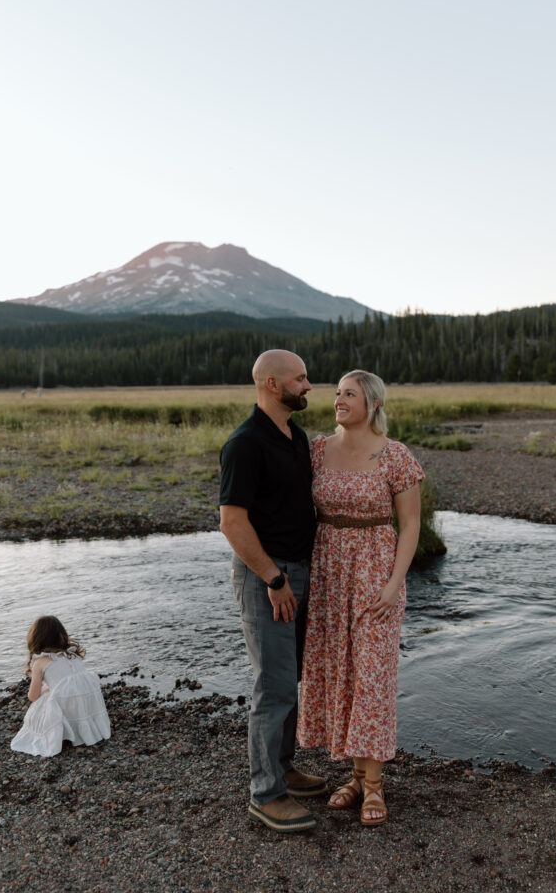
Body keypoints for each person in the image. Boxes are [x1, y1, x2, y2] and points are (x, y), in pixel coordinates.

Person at [297, 370, 423, 826]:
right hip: (329, 578)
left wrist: (393, 585)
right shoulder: (317, 450)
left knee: (372, 677)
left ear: (372, 403)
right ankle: (353, 776)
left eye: (349, 393)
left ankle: (374, 785)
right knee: (342, 676)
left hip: (376, 578)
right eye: (337, 393)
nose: (338, 399)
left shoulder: (395, 456)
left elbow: (411, 525)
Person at [219, 349, 326, 832]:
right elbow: (232, 522)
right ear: (272, 384)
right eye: (300, 379)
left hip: (298, 572)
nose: (308, 386)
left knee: (291, 677)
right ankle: (265, 794)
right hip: (267, 578)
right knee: (274, 684)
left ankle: (283, 767)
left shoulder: (295, 436)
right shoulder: (244, 443)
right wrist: (274, 579)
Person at [10, 615, 111, 757]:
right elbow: (70, 682)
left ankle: (63, 732)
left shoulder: (40, 662)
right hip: (85, 707)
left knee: (42, 699)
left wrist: (45, 691)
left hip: (69, 707)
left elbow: (33, 696)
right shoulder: (72, 654)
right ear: (61, 635)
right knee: (53, 690)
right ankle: (83, 729)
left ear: (36, 639)